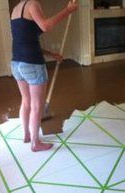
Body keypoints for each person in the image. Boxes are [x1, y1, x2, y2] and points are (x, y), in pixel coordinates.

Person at [10, 0, 77, 152]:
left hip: (17, 64)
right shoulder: (32, 4)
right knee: (37, 106)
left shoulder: (16, 9)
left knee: (26, 101)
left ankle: (27, 135)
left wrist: (51, 54)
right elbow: (46, 26)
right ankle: (35, 143)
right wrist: (68, 10)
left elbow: (27, 38)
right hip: (32, 64)